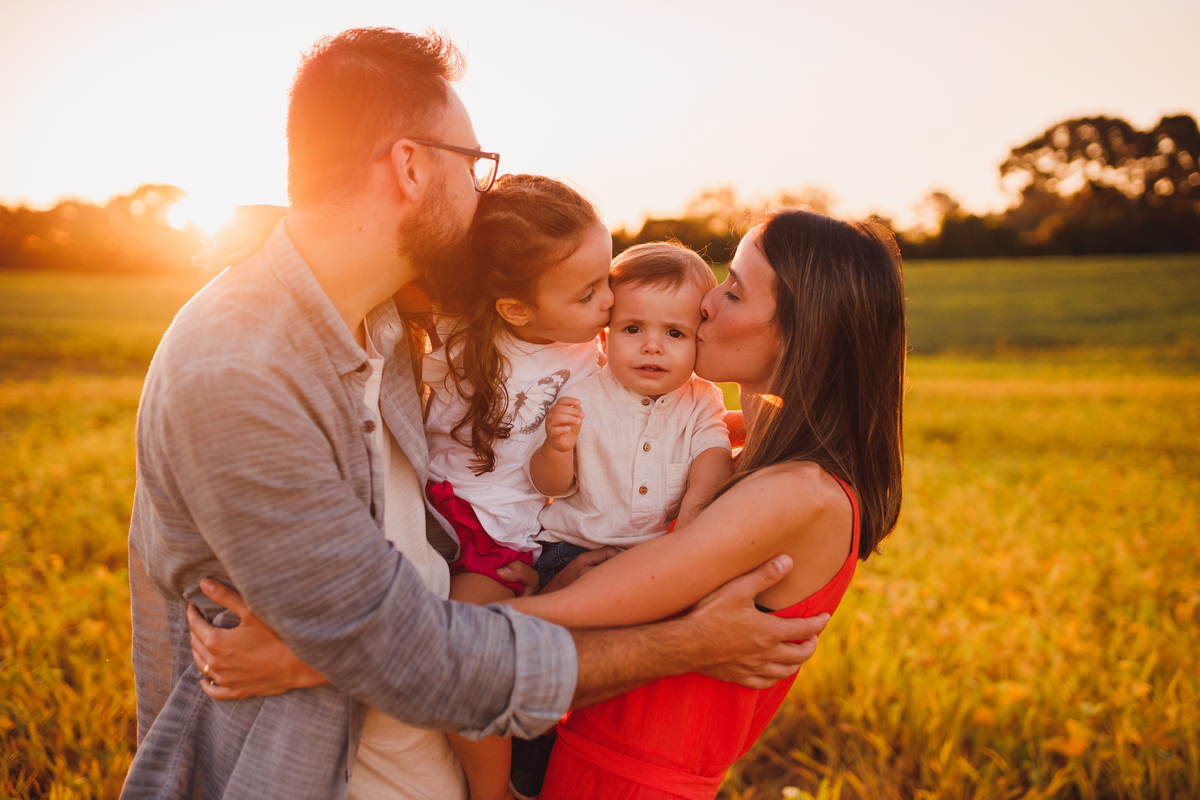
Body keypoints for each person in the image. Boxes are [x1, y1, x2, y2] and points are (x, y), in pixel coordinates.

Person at [125, 27, 828, 800]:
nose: (486, 193)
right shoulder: (242, 377)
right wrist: (686, 643)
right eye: (476, 167)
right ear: (413, 165)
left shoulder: (382, 311)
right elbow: (414, 661)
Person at [187, 208, 906, 799]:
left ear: (801, 331)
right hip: (580, 756)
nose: (707, 300)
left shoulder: (795, 495)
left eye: (736, 291)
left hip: (622, 786)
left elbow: (544, 620)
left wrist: (323, 657)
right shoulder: (757, 457)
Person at [530, 242, 733, 587]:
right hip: (574, 548)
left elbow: (712, 459)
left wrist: (689, 527)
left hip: (657, 552)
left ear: (699, 340)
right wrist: (556, 449)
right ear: (605, 340)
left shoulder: (701, 400)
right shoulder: (581, 396)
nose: (651, 346)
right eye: (633, 329)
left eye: (674, 333)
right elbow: (551, 486)